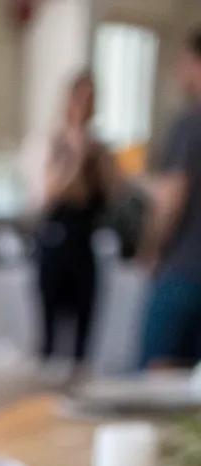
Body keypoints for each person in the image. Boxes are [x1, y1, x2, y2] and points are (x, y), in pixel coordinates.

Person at [32, 71, 116, 367]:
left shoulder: (100, 149)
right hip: (55, 244)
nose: (85, 105)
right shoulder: (54, 142)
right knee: (48, 338)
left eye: (91, 99)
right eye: (80, 97)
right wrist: (77, 157)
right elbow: (47, 195)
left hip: (84, 244)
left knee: (83, 340)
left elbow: (108, 194)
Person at [140, 29, 201, 367]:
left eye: (184, 63)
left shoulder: (190, 125)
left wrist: (150, 250)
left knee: (155, 381)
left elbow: (171, 199)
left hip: (183, 274)